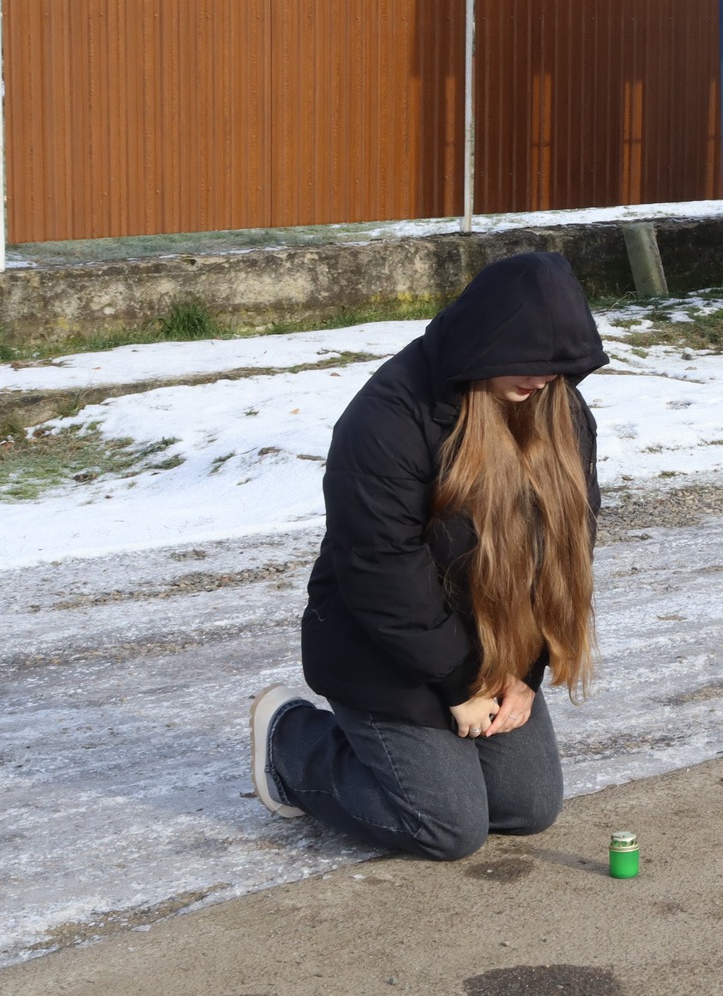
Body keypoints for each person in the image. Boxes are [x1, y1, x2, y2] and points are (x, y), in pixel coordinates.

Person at [248, 251, 607, 861]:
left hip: (493, 645)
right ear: (487, 340)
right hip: (385, 649)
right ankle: (292, 744)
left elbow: (567, 546)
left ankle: (434, 747)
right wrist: (461, 684)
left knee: (527, 807)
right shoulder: (387, 418)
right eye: (531, 362)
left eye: (559, 365)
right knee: (449, 828)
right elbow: (380, 568)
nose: (543, 379)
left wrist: (525, 672)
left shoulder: (554, 403)